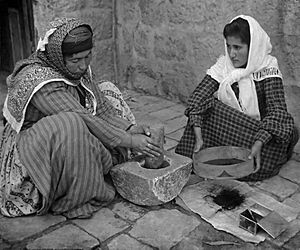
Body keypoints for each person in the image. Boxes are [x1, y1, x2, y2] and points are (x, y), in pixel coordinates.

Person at [0, 17, 162, 218]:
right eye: (76, 60)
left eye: (88, 57)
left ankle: (94, 167)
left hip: (68, 128)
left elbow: (100, 108)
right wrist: (129, 141)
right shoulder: (38, 81)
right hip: (33, 143)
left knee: (106, 90)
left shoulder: (78, 69)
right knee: (72, 123)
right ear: (58, 56)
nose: (83, 65)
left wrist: (129, 128)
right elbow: (83, 116)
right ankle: (74, 196)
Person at [175, 15, 298, 181]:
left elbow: (277, 112)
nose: (232, 54)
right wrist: (197, 130)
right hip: (228, 131)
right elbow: (198, 97)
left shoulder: (267, 68)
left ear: (253, 46)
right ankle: (220, 154)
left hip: (256, 134)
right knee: (206, 107)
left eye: (238, 47)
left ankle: (238, 157)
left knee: (278, 137)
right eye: (229, 46)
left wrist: (259, 142)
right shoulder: (223, 66)